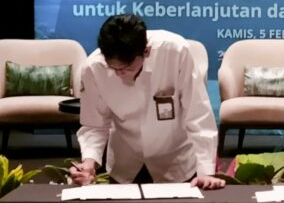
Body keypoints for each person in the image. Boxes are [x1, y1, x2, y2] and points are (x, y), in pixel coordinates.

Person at [70, 14, 224, 190]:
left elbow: (197, 114)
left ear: (146, 51)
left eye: (127, 68)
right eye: (114, 68)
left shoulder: (176, 52)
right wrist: (89, 163)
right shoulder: (93, 68)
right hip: (125, 161)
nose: (120, 74)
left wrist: (205, 171)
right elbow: (95, 124)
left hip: (175, 160)